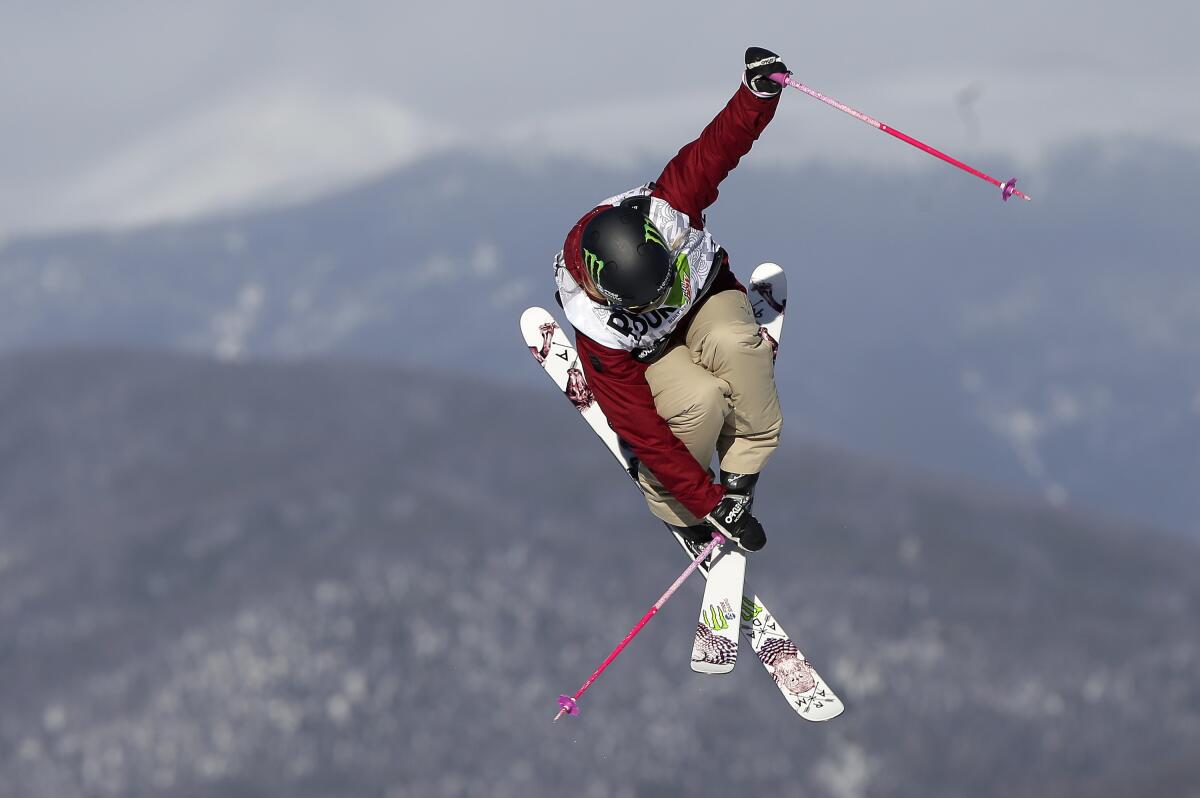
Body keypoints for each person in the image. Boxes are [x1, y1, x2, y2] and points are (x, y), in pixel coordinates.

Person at [552, 47, 789, 552]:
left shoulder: (669, 206)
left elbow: (717, 148)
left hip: (704, 302)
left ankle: (744, 457)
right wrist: (705, 502)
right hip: (648, 354)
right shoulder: (596, 325)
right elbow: (640, 426)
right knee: (699, 403)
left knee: (736, 344)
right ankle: (674, 505)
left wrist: (757, 95)